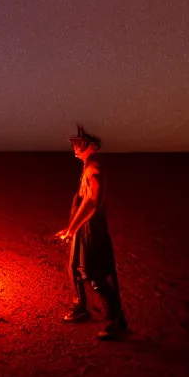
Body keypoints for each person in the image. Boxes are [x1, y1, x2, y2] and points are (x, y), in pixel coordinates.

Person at [56, 126, 129, 341]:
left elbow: (92, 202)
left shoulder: (94, 166)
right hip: (83, 226)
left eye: (78, 144)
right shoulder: (90, 164)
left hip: (91, 227)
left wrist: (73, 228)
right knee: (74, 267)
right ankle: (81, 307)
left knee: (94, 273)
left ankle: (117, 321)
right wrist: (71, 226)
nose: (74, 148)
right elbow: (83, 199)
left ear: (90, 145)